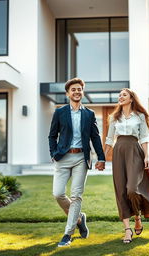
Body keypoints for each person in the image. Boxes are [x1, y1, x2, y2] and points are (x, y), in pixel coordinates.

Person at [104, 88, 149, 244]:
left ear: (131, 98)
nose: (120, 97)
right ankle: (127, 230)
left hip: (135, 151)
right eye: (119, 95)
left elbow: (144, 137)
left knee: (132, 189)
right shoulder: (114, 117)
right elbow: (109, 139)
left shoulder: (140, 116)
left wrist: (146, 155)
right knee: (120, 190)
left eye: (124, 95)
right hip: (119, 152)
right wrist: (102, 157)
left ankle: (138, 216)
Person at [48, 78, 105, 247]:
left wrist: (101, 157)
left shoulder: (89, 114)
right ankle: (79, 219)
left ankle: (68, 234)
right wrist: (53, 153)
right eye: (73, 89)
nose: (77, 92)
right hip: (63, 157)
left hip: (81, 157)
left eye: (79, 89)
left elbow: (95, 137)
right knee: (58, 194)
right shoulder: (60, 112)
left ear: (83, 92)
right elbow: (52, 135)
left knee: (76, 196)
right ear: (68, 93)